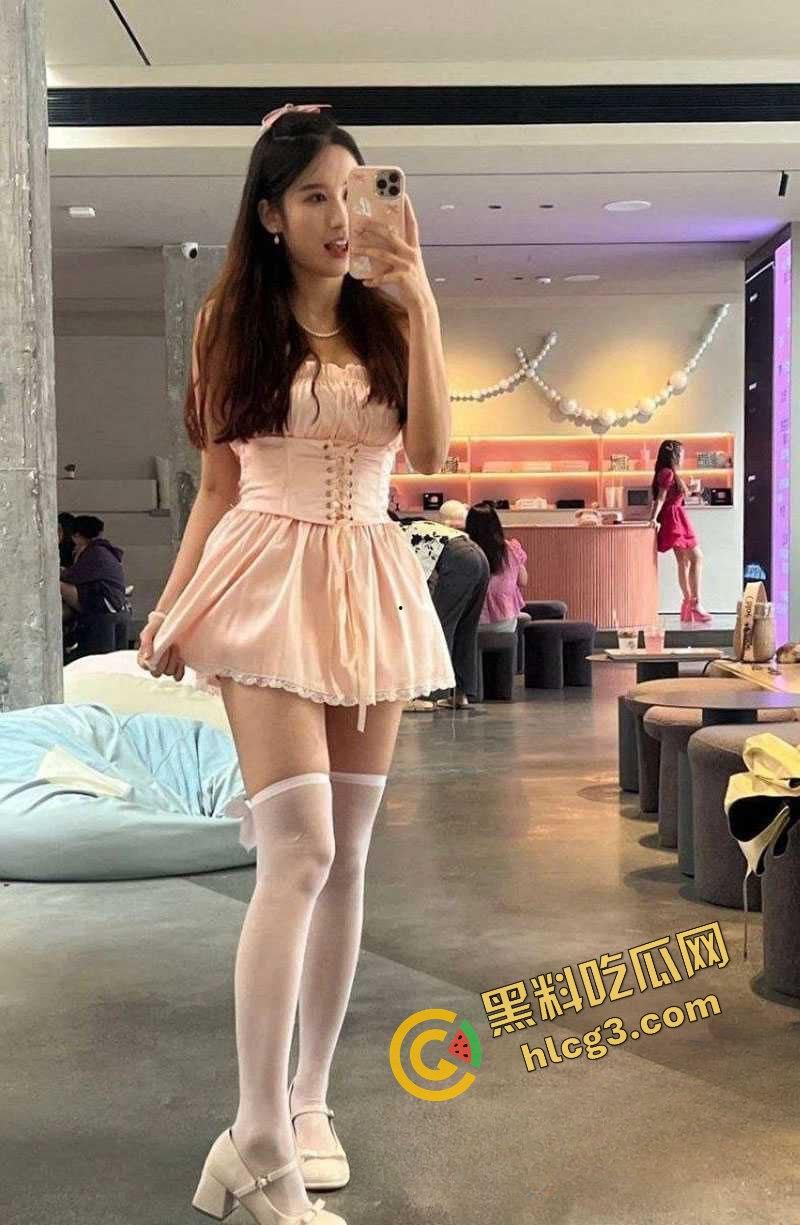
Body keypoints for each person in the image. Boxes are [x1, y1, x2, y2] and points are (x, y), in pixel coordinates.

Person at [135, 103, 454, 1225]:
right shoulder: (231, 319)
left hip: (367, 574)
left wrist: (420, 295)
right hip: (264, 577)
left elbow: (431, 452)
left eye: (350, 191)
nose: (338, 215)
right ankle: (258, 1129)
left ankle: (310, 1102)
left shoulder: (388, 315)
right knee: (300, 849)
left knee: (348, 854)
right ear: (270, 213)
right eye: (313, 194)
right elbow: (218, 485)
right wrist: (172, 604)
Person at [390, 499, 490, 710]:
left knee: (438, 627)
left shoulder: (392, 538)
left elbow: (408, 586)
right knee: (465, 627)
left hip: (459, 560)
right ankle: (460, 693)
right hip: (478, 555)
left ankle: (426, 696)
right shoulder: (417, 526)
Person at [649, 439, 711, 623]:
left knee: (683, 562)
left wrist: (688, 489)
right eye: (682, 454)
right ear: (675, 455)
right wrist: (653, 518)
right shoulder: (668, 473)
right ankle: (695, 603)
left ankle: (688, 603)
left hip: (675, 517)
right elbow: (660, 498)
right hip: (675, 518)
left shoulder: (667, 473)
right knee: (696, 558)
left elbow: (665, 496)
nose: (683, 457)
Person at [463, 500, 530, 633]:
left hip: (473, 624)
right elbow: (523, 581)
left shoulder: (464, 551)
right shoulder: (512, 549)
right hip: (506, 622)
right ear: (496, 525)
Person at [59, 514, 128, 629]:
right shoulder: (102, 550)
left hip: (106, 602)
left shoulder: (94, 553)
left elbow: (71, 577)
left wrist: (62, 570)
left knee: (57, 585)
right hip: (112, 601)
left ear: (77, 536)